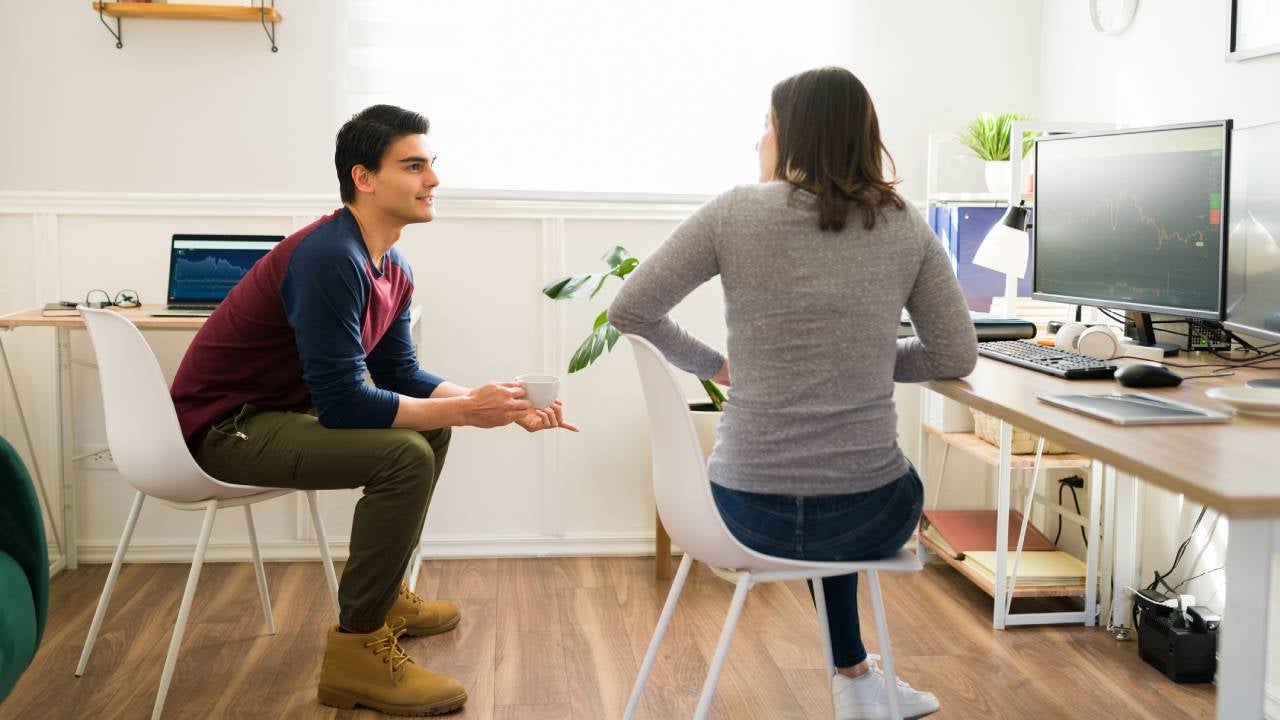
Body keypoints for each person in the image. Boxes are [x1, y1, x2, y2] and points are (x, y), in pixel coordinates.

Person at [170, 104, 579, 716]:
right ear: (364, 178)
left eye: (431, 165)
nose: (433, 180)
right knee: (406, 455)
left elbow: (398, 375)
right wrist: (466, 409)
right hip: (224, 428)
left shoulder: (393, 265)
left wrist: (492, 402)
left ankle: (384, 597)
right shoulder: (329, 256)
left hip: (271, 417)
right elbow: (341, 403)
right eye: (413, 166)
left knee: (429, 433)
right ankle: (357, 649)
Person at [609, 67, 976, 720]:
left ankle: (857, 677)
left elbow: (630, 309)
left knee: (814, 479)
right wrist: (862, 361)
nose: (760, 141)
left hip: (738, 511)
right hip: (868, 513)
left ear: (796, 134)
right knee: (861, 478)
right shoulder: (902, 224)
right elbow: (955, 355)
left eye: (768, 125)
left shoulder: (732, 213)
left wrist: (718, 365)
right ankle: (857, 680)